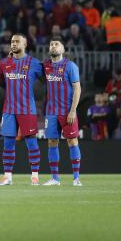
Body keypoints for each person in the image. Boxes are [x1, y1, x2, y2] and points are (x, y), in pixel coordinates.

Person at [0, 33, 43, 186]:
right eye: (12, 41)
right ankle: (7, 176)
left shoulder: (34, 63)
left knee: (31, 142)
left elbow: (48, 80)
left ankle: (35, 175)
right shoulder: (3, 63)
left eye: (17, 41)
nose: (13, 44)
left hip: (27, 109)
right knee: (8, 143)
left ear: (25, 44)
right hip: (9, 109)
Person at [42, 38, 83, 187]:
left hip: (67, 112)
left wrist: (73, 110)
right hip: (51, 112)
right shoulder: (45, 66)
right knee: (52, 142)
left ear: (63, 49)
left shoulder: (70, 66)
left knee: (72, 141)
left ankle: (76, 178)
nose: (53, 46)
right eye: (51, 44)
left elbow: (77, 88)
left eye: (57, 44)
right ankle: (55, 178)